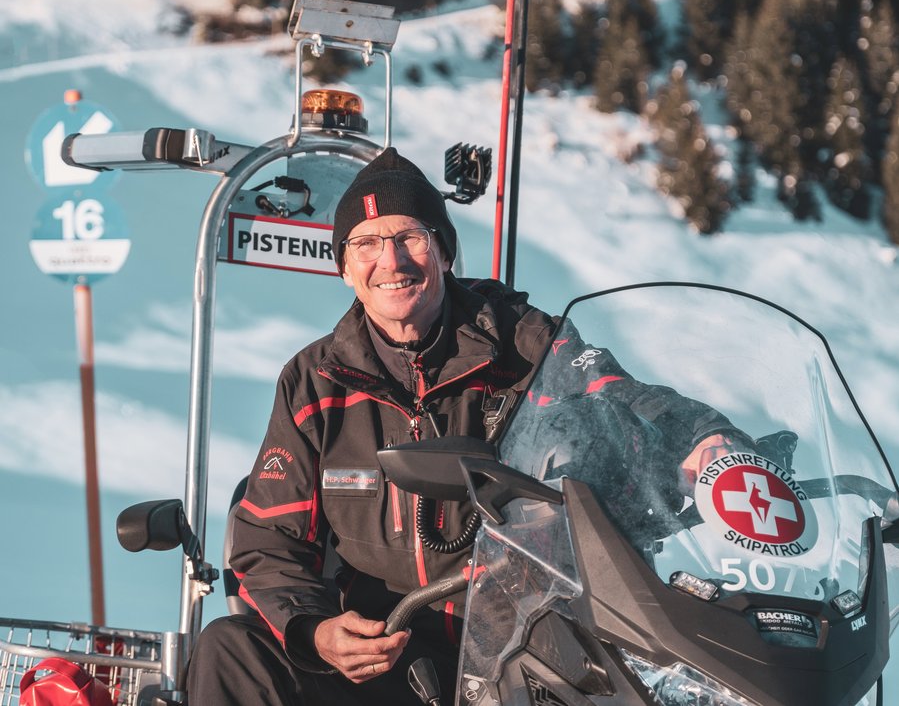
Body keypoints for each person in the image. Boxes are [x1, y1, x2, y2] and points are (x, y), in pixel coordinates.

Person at [186, 147, 746, 705]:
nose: (392, 261)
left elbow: (621, 396)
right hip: (386, 648)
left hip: (526, 643)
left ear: (445, 251)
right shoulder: (316, 382)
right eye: (366, 243)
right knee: (231, 648)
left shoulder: (527, 346)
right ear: (344, 267)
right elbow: (268, 541)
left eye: (410, 237)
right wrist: (316, 632)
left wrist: (706, 442)